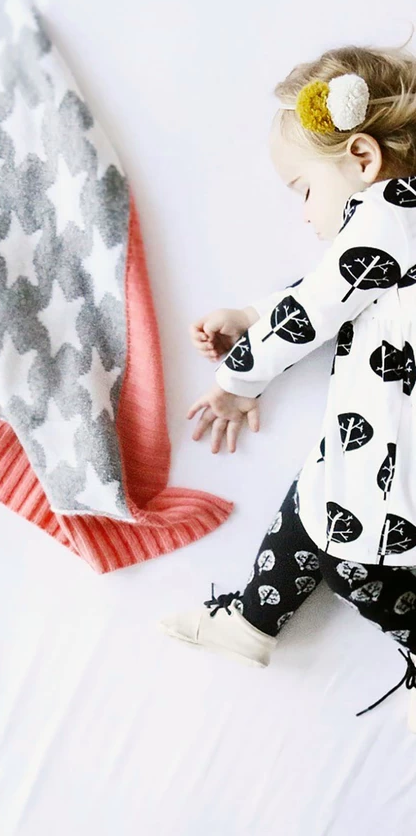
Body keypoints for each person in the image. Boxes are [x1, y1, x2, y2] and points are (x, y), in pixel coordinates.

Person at [160, 41, 416, 732]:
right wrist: (248, 316)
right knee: (311, 503)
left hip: (389, 478)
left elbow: (310, 315)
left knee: (349, 555)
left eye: (304, 190)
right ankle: (252, 620)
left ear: (362, 160)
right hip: (380, 466)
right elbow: (325, 295)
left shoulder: (387, 211)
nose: (304, 214)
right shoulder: (401, 230)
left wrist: (238, 380)